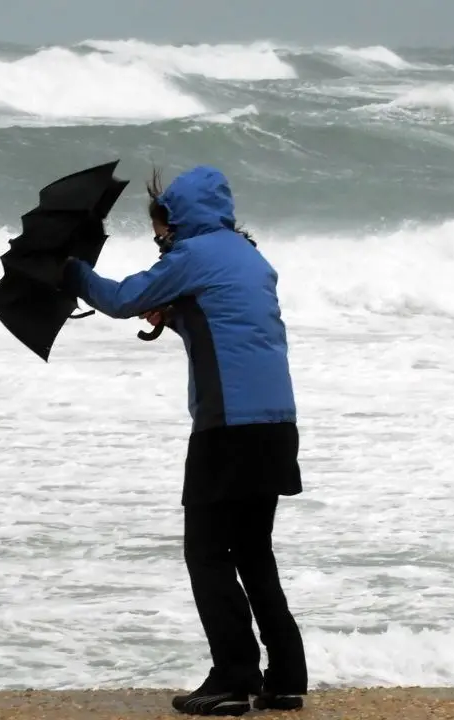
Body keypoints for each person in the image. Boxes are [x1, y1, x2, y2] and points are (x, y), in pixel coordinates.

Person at [61, 165, 308, 716]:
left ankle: (234, 677)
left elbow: (122, 297)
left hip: (228, 426)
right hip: (276, 423)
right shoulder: (248, 255)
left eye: (158, 233)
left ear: (176, 221)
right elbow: (225, 322)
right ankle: (286, 676)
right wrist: (175, 316)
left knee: (206, 552)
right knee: (252, 550)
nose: (159, 243)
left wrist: (70, 271)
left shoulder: (192, 256)